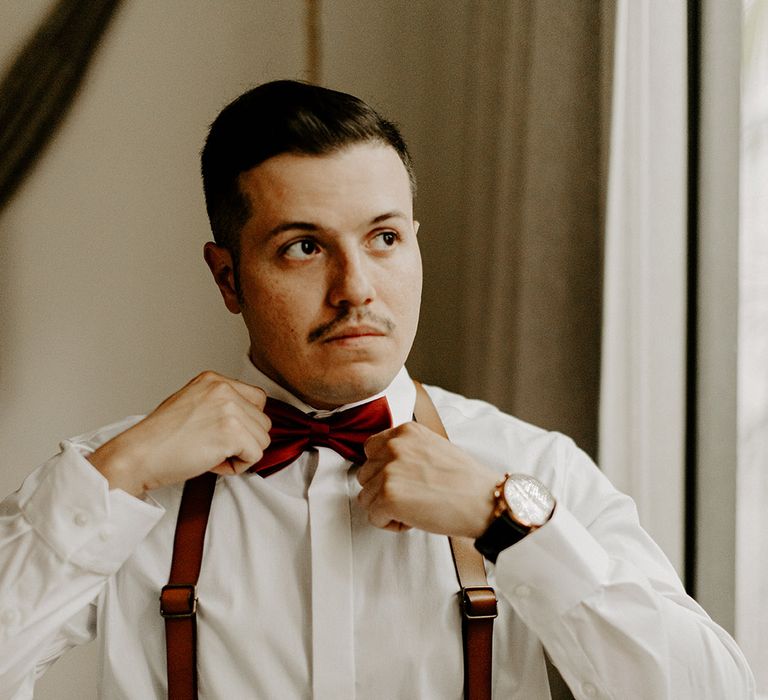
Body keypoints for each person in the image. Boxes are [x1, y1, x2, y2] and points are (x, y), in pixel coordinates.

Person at [0, 80, 754, 700]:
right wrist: (119, 474)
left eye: (384, 238)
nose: (356, 289)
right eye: (303, 247)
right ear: (229, 277)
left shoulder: (531, 470)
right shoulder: (113, 481)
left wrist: (511, 528)